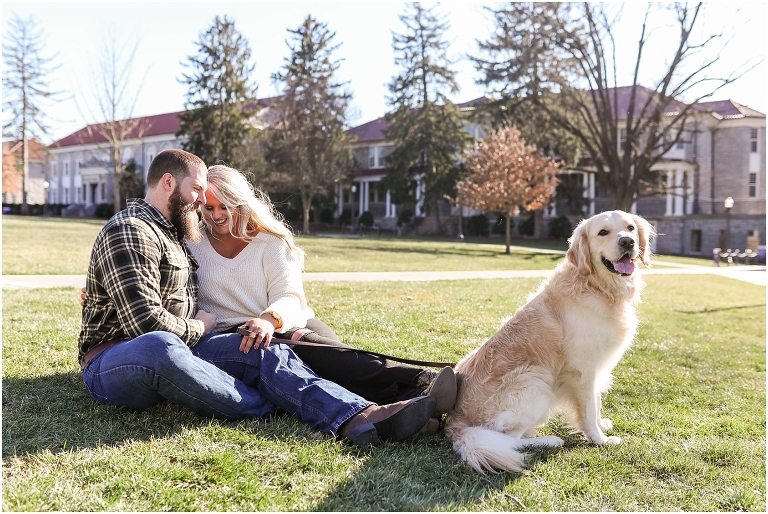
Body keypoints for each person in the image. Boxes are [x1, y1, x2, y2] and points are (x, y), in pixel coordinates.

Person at [78, 148, 435, 447]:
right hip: (124, 353)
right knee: (159, 346)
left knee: (268, 349)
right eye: (198, 192)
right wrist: (200, 324)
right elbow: (145, 326)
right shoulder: (131, 230)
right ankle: (273, 404)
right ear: (169, 183)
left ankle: (361, 416)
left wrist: (261, 321)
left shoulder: (175, 233)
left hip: (195, 342)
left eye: (214, 199)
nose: (205, 204)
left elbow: (284, 294)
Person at [185, 164, 457, 428]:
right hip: (239, 336)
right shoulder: (192, 245)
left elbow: (289, 294)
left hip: (286, 322)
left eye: (225, 206)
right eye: (209, 208)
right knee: (304, 357)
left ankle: (420, 388)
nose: (217, 215)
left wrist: (268, 320)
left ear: (241, 203)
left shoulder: (270, 242)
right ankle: (417, 393)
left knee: (321, 352)